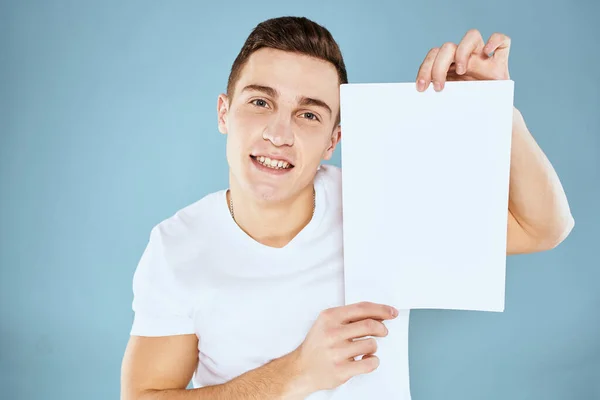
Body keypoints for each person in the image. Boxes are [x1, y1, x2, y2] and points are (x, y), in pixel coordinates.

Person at [120, 16, 574, 400]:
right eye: (260, 102)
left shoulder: (379, 202)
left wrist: (497, 111)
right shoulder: (176, 246)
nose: (279, 133)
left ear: (333, 141)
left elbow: (543, 228)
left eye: (309, 114)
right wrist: (295, 372)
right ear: (224, 112)